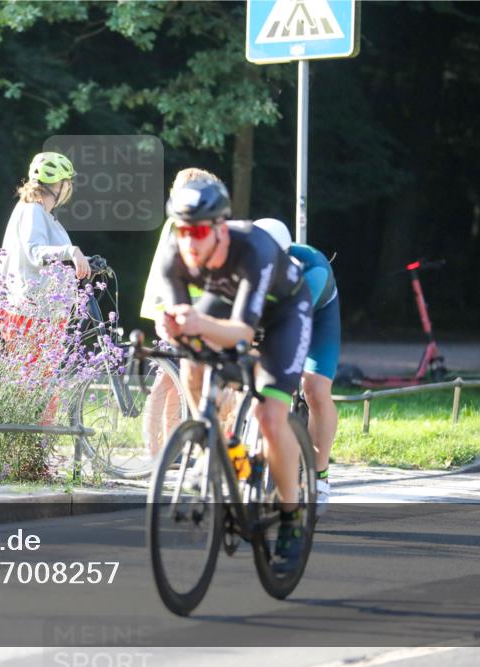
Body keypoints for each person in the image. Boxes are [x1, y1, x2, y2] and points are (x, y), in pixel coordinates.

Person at [155, 179, 313, 573]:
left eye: (200, 231)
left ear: (220, 228)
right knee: (192, 361)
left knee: (270, 417)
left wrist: (195, 322)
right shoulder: (173, 252)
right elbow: (183, 324)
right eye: (182, 229)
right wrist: (175, 325)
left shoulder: (254, 248)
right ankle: (223, 446)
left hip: (284, 313)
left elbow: (243, 331)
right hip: (228, 299)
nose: (189, 240)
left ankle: (292, 518)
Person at [0, 151, 89, 422]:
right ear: (59, 185)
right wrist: (71, 251)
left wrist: (83, 259)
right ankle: (29, 454)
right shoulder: (32, 210)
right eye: (67, 182)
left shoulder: (42, 213)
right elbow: (36, 252)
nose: (69, 187)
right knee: (35, 387)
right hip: (28, 311)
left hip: (41, 312)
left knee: (43, 386)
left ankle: (37, 456)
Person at [254, 218, 340, 514]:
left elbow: (293, 323)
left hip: (316, 316)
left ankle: (321, 474)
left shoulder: (312, 270)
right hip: (278, 312)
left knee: (314, 388)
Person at [138, 168, 219, 456]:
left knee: (173, 381)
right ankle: (154, 447)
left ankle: (169, 446)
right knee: (167, 379)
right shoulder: (180, 223)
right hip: (172, 309)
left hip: (181, 307)